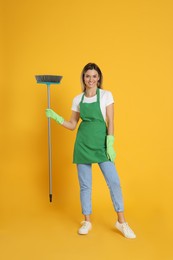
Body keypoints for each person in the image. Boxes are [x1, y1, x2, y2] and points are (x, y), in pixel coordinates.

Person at [45, 63, 136, 239]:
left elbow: (110, 121)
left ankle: (121, 222)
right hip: (82, 145)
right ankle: (86, 220)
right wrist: (55, 117)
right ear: (83, 78)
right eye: (88, 76)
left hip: (101, 145)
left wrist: (110, 143)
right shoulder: (77, 99)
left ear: (99, 78)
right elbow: (72, 125)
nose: (91, 79)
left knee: (114, 182)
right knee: (85, 186)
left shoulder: (106, 96)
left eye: (94, 76)